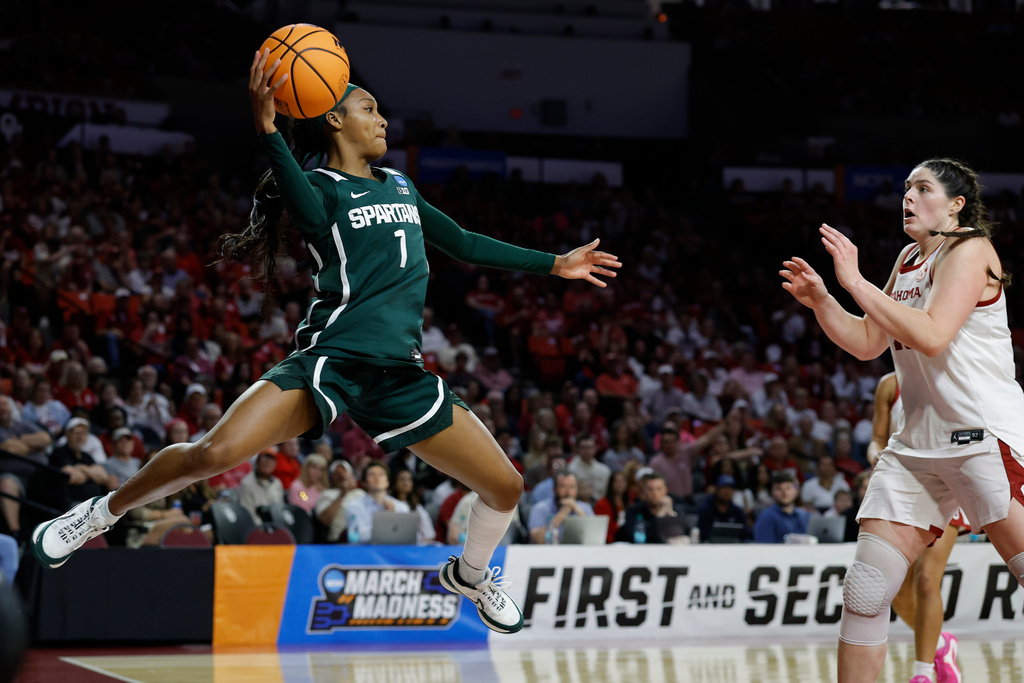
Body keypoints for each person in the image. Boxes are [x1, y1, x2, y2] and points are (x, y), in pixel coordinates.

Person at [30, 57, 619, 636]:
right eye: (370, 109)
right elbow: (306, 212)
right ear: (335, 121)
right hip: (330, 362)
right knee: (213, 454)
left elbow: (462, 243)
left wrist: (554, 264)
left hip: (400, 375)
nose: (383, 120)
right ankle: (97, 514)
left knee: (507, 486)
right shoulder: (320, 188)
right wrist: (268, 132)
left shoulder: (402, 186)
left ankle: (471, 574)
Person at [781, 158, 1024, 681]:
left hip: (984, 437)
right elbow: (871, 342)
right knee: (866, 593)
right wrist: (826, 301)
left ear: (956, 204)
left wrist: (853, 280)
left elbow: (932, 334)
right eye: (905, 189)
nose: (907, 197)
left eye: (922, 188)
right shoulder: (909, 258)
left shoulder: (971, 248)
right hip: (916, 447)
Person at [867, 371, 962, 683]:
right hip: (905, 485)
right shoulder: (888, 385)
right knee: (896, 592)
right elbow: (877, 438)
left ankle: (922, 673)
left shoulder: (954, 373)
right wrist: (875, 453)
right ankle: (941, 644)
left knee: (926, 580)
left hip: (947, 483)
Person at [0, 394, 54, 542]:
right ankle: (15, 535)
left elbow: (45, 438)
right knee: (6, 483)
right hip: (15, 477)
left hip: (40, 474)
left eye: (4, 404)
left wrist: (20, 441)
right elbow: (10, 448)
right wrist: (33, 446)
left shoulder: (23, 424)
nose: (2, 408)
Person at [613, 472, 688, 544]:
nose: (654, 493)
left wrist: (672, 516)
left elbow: (685, 534)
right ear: (644, 491)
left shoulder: (676, 512)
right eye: (650, 489)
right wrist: (659, 517)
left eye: (658, 489)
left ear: (665, 490)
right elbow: (636, 537)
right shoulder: (633, 511)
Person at [344, 461, 410, 543]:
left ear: (388, 482)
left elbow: (408, 536)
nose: (377, 477)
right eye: (372, 474)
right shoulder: (353, 506)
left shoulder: (401, 507)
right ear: (364, 482)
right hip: (366, 553)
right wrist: (385, 519)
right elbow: (354, 537)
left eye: (381, 474)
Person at [527, 471, 593, 544]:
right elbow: (538, 540)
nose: (568, 491)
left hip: (580, 552)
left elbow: (595, 538)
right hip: (549, 553)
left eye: (572, 487)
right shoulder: (540, 508)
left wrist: (580, 513)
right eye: (563, 486)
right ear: (554, 489)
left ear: (577, 490)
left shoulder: (585, 508)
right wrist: (561, 515)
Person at [752, 472, 810, 543]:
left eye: (788, 488)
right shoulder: (766, 517)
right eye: (779, 489)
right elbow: (764, 548)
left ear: (796, 491)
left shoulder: (805, 516)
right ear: (772, 492)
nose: (784, 493)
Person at [696, 474, 751, 543]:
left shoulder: (737, 511)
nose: (727, 491)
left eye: (730, 488)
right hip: (710, 549)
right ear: (717, 490)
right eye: (724, 487)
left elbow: (745, 536)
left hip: (734, 549)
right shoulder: (706, 510)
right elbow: (702, 536)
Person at [238, 450, 286, 525]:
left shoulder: (277, 483)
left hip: (277, 527)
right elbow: (248, 516)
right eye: (264, 457)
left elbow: (280, 510)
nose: (267, 462)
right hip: (256, 529)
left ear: (275, 464)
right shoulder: (246, 483)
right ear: (257, 461)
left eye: (271, 459)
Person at [593, 470, 630, 543]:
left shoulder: (630, 502)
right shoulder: (602, 504)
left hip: (628, 542)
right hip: (609, 543)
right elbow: (600, 529)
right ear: (611, 484)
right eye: (616, 481)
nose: (620, 484)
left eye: (623, 481)